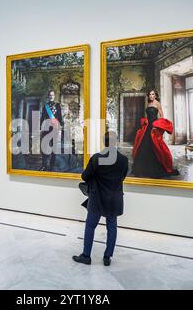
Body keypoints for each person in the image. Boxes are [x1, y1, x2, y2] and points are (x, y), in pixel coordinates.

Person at [73, 131, 128, 266]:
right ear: (116, 143)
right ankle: (107, 257)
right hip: (114, 198)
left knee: (90, 226)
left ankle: (86, 256)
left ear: (105, 142)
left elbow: (85, 177)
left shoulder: (97, 158)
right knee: (112, 227)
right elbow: (122, 177)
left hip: (97, 197)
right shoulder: (123, 160)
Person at [132, 89, 179, 178]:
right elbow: (148, 115)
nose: (151, 96)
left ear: (155, 95)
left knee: (154, 146)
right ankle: (142, 168)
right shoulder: (148, 103)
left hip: (154, 126)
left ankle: (155, 167)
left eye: (153, 94)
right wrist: (146, 121)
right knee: (143, 145)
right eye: (150, 94)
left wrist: (157, 126)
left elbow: (161, 116)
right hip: (147, 126)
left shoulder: (157, 103)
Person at [39, 89, 64, 171]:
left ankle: (51, 165)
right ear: (48, 96)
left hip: (55, 128)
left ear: (54, 96)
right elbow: (42, 118)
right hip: (46, 128)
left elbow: (60, 117)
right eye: (50, 95)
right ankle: (44, 165)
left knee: (54, 148)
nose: (51, 96)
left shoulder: (57, 105)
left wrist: (61, 126)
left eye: (53, 95)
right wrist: (40, 128)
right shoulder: (45, 106)